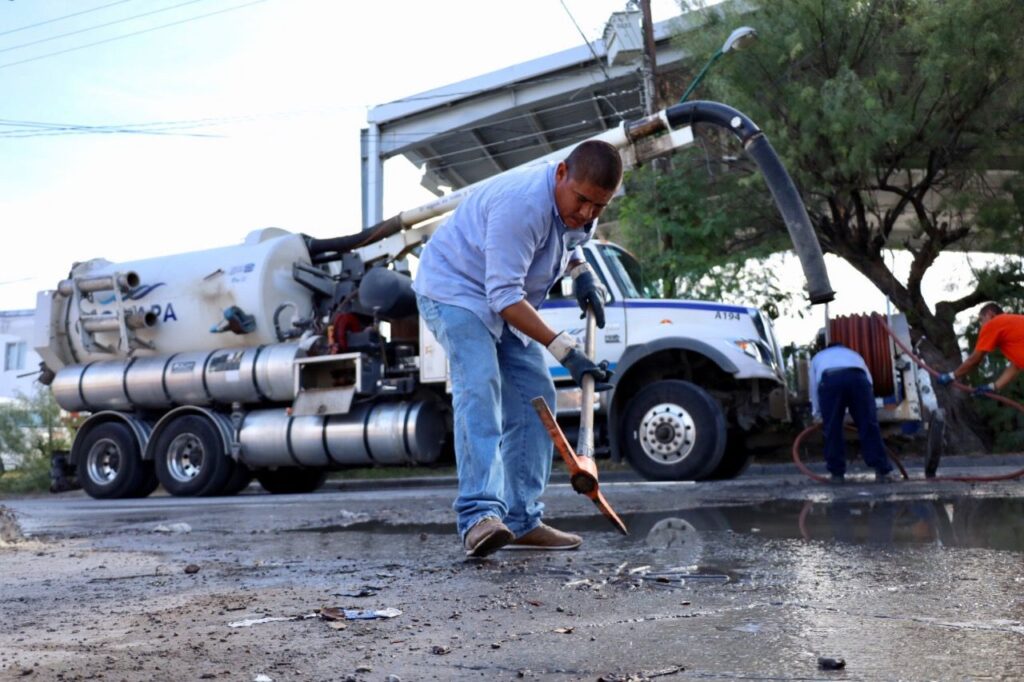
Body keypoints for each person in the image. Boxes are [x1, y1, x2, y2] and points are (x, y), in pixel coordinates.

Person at [413, 140, 621, 557]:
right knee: (480, 383)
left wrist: (582, 273)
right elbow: (503, 296)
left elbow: (570, 243)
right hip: (455, 289)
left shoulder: (582, 207)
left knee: (534, 397)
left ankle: (523, 519)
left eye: (597, 207)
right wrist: (564, 348)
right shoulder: (521, 204)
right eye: (581, 200)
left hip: (505, 296)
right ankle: (478, 517)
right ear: (561, 173)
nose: (585, 213)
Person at [810, 337, 895, 483]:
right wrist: (868, 407)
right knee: (869, 426)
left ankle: (837, 474)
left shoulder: (818, 357)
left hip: (831, 380)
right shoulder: (854, 354)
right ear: (842, 347)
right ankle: (882, 470)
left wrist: (816, 412)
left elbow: (814, 386)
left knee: (832, 429)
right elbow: (869, 380)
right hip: (858, 380)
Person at [937, 303, 1024, 395]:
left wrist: (952, 376)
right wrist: (993, 387)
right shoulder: (1012, 326)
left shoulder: (994, 324)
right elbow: (1016, 366)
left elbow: (974, 359)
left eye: (982, 320)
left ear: (990, 314)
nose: (982, 325)